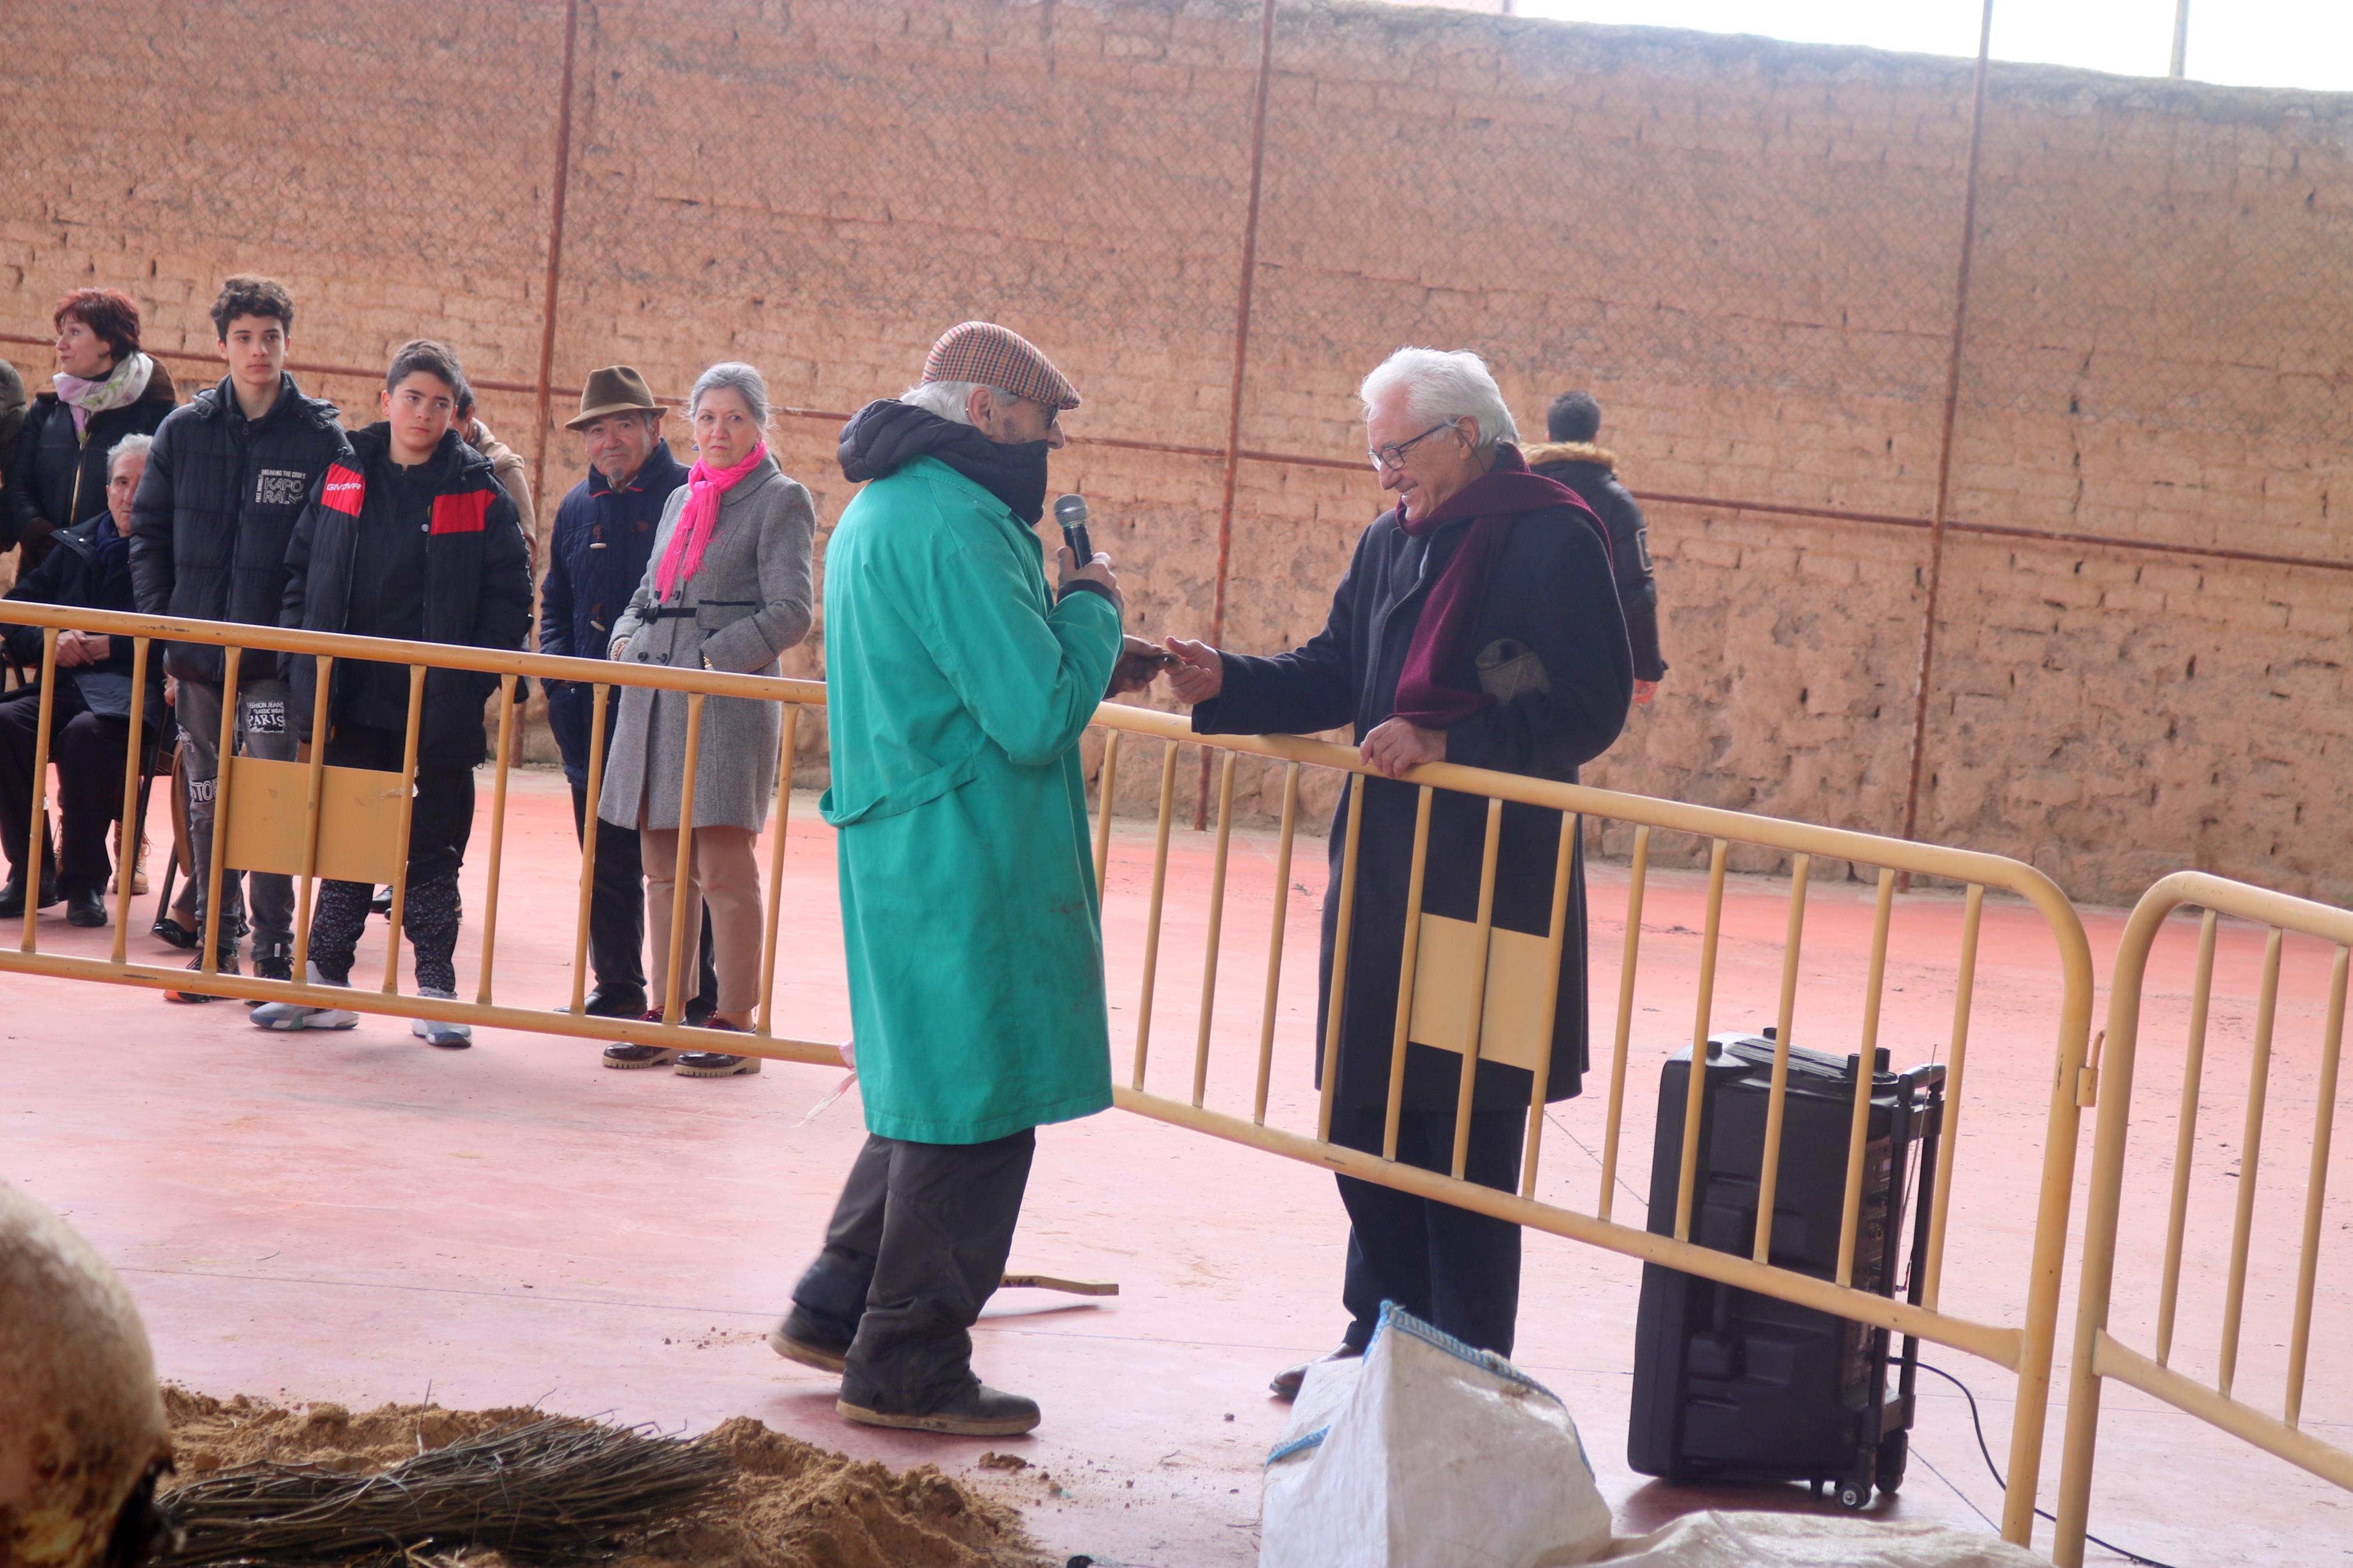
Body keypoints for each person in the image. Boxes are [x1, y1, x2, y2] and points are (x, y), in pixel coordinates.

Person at [1162, 347, 1632, 1397]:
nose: (1383, 475)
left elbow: (1584, 707)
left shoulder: (1554, 536)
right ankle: (1376, 1332)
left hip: (1491, 875)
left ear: (1462, 435)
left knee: (1458, 1121)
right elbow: (1338, 669)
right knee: (1365, 1110)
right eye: (1374, 455)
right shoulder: (1392, 542)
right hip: (1385, 867)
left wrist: (1448, 744)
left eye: (1396, 452)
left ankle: (1459, 1358)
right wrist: (1224, 678)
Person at [771, 321, 1160, 1439]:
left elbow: (972, 668)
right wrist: (1090, 607)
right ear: (988, 413)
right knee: (978, 1109)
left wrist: (1064, 640)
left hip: (907, 843)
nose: (1044, 453)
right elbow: (1033, 713)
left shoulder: (888, 508)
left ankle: (833, 1307)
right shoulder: (959, 522)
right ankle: (908, 1362)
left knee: (924, 1093)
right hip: (968, 851)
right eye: (1040, 427)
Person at [251, 340, 531, 1045]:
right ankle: (325, 986)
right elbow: (300, 572)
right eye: (412, 397)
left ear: (457, 415)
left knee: (434, 849)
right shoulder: (345, 472)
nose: (424, 413)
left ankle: (437, 993)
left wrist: (468, 682)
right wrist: (304, 662)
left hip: (438, 706)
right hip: (354, 696)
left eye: (441, 403)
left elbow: (508, 595)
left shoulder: (476, 489)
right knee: (349, 843)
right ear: (386, 401)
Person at [127, 275, 349, 997]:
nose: (259, 351)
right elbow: (148, 534)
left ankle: (274, 952)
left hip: (272, 671)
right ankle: (215, 948)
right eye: (245, 338)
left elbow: (335, 549)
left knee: (272, 800)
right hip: (197, 663)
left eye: (272, 337)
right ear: (222, 345)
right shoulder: (182, 431)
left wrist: (300, 645)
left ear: (289, 343)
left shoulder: (323, 438)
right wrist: (168, 625)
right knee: (208, 796)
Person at [597, 362, 814, 1077]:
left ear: (758, 426)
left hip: (722, 703)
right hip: (655, 697)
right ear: (691, 424)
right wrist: (626, 639)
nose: (719, 431)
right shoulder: (677, 500)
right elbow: (643, 591)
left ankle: (733, 1024)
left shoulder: (781, 500)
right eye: (708, 418)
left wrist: (712, 661)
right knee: (662, 869)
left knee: (723, 868)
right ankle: (664, 1013)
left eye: (735, 418)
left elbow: (790, 612)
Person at [540, 366, 717, 1030]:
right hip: (588, 711)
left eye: (622, 424)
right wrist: (558, 678)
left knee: (680, 856)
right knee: (606, 855)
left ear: (653, 426)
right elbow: (556, 600)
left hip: (668, 709)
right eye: (596, 428)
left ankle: (696, 994)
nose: (608, 439)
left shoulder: (692, 496)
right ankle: (616, 982)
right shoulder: (576, 508)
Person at [0, 435, 166, 925]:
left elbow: (185, 635)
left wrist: (114, 645)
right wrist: (51, 641)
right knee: (5, 721)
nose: (130, 496)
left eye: (144, 484)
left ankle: (84, 883)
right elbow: (16, 612)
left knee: (84, 736)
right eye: (120, 482)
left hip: (134, 693)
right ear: (107, 487)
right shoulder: (77, 544)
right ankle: (32, 874)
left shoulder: (172, 555)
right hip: (66, 686)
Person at [5, 290, 178, 574]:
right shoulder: (47, 407)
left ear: (108, 341)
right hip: (45, 568)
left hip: (118, 572)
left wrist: (98, 547)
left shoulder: (158, 412)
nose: (61, 345)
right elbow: (18, 485)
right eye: (62, 333)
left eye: (74, 332)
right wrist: (44, 542)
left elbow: (162, 498)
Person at [1527, 390, 1667, 702]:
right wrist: (1646, 665)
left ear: (1549, 437)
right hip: (1589, 659)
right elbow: (1636, 588)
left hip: (1521, 651)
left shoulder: (1520, 491)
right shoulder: (1618, 504)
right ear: (1595, 438)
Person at [455, 387, 537, 567]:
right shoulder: (420, 463)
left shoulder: (503, 469)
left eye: (447, 413)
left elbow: (524, 550)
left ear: (467, 413)